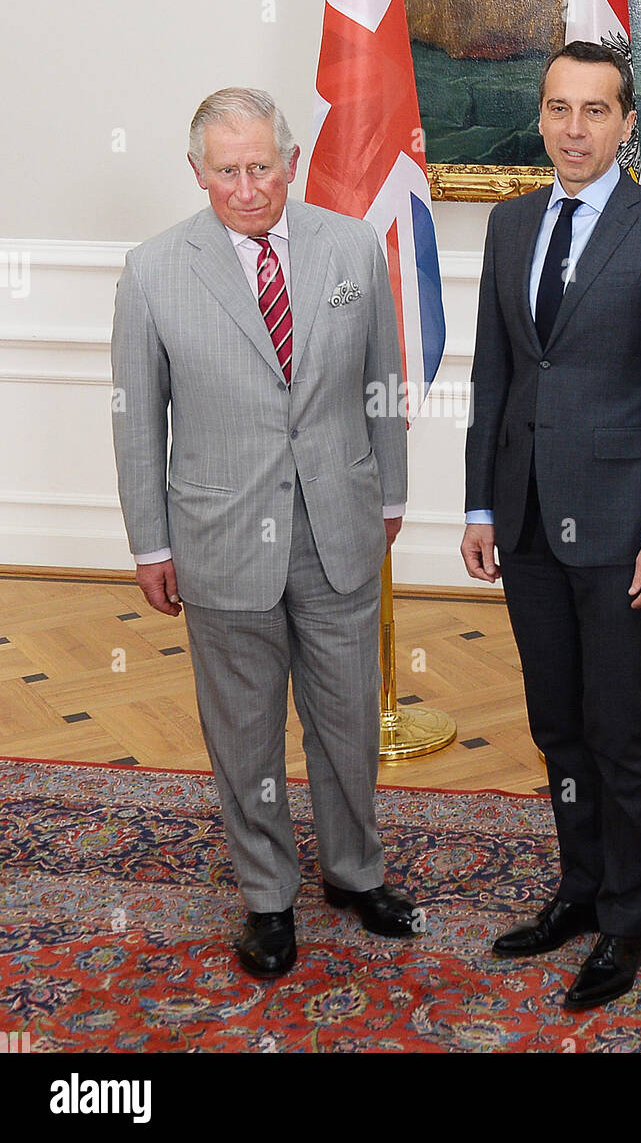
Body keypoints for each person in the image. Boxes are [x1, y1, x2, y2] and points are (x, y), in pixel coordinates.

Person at [111, 87, 417, 979]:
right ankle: (267, 897)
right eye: (228, 170)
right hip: (219, 538)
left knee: (349, 720)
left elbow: (381, 384)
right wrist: (150, 544)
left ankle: (355, 875)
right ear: (198, 173)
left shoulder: (351, 244)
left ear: (289, 160)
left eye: (262, 165)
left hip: (340, 527)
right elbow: (139, 421)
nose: (249, 187)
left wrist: (390, 494)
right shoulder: (155, 270)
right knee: (244, 731)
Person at [461, 42, 641, 1009]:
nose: (574, 128)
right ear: (542, 116)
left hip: (619, 532)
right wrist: (481, 502)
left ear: (627, 123)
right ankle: (576, 888)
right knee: (556, 727)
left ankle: (626, 921)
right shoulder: (511, 223)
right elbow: (495, 374)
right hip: (522, 520)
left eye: (595, 111)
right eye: (559, 109)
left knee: (618, 731)